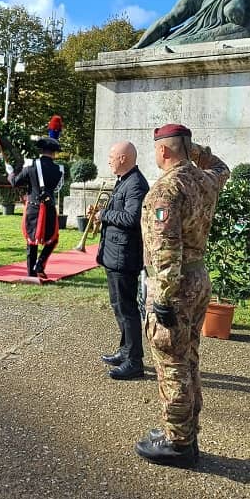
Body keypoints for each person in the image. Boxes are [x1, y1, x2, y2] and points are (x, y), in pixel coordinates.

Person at [135, 124, 229, 468]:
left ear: (163, 151)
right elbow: (223, 168)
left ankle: (179, 444)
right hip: (198, 279)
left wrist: (162, 299)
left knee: (172, 363)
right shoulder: (205, 179)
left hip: (174, 285)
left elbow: (165, 250)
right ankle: (184, 432)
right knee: (188, 357)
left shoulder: (167, 188)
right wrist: (198, 152)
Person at [96, 141, 149, 380]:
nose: (108, 160)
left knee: (126, 309)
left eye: (111, 156)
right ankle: (125, 350)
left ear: (123, 159)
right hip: (115, 254)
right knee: (119, 307)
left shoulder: (136, 184)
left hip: (123, 257)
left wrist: (103, 214)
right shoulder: (124, 181)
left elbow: (131, 218)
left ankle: (135, 361)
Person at [6, 137, 64, 279]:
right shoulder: (59, 169)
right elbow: (56, 188)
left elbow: (15, 182)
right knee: (53, 238)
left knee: (31, 240)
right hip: (49, 207)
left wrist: (10, 172)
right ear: (54, 153)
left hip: (33, 207)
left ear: (41, 150)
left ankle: (31, 273)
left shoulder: (31, 165)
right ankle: (40, 263)